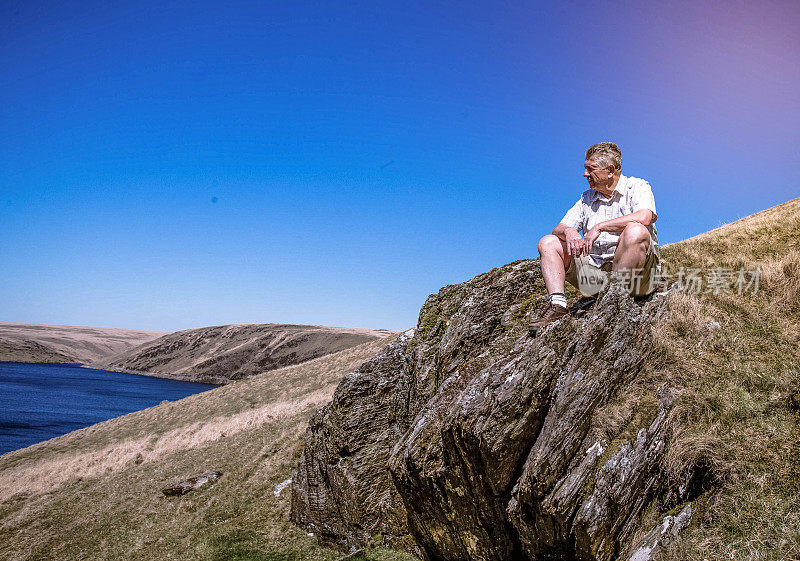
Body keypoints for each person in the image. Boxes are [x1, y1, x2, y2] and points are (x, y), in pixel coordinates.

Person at [529, 142, 660, 335]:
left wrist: (600, 226)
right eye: (585, 168)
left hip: (638, 279)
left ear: (610, 170)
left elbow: (644, 217)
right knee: (548, 242)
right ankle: (557, 305)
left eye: (590, 169)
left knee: (635, 230)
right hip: (597, 278)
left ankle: (615, 299)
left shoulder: (638, 186)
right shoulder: (586, 198)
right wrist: (569, 232)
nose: (585, 174)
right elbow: (559, 227)